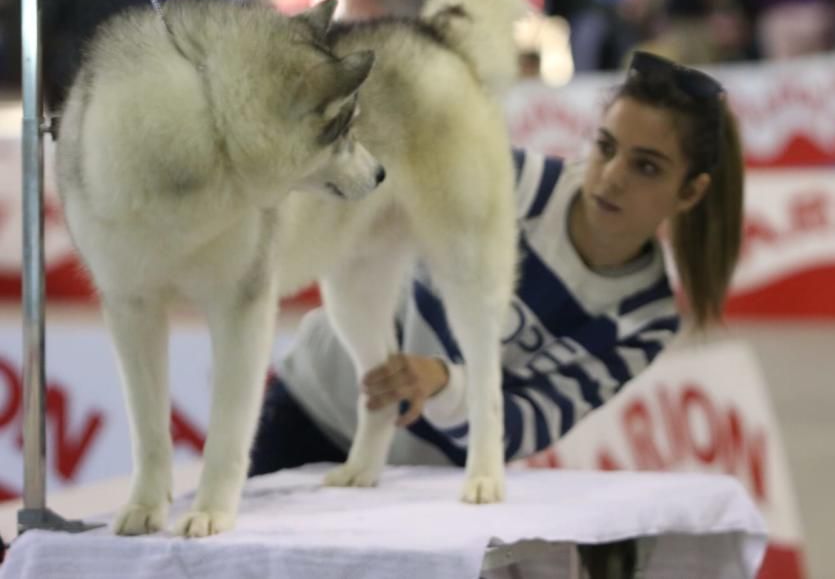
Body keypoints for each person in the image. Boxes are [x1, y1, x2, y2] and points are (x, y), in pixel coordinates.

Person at [249, 50, 744, 476]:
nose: (612, 178)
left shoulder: (645, 318)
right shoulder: (510, 178)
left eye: (647, 166)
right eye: (606, 148)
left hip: (417, 483)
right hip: (309, 407)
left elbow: (525, 425)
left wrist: (442, 382)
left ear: (691, 191)